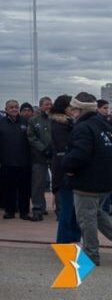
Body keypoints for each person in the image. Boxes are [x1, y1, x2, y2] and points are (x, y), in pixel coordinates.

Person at [61, 92, 112, 265]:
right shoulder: (103, 124)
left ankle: (91, 254)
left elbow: (80, 153)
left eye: (73, 109)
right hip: (104, 179)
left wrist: (66, 166)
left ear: (79, 109)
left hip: (88, 182)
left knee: (86, 219)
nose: (71, 112)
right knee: (97, 214)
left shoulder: (83, 127)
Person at [0, 100, 33, 220]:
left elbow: (31, 141)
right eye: (11, 107)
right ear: (6, 109)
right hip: (6, 162)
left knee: (24, 189)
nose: (14, 109)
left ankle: (24, 212)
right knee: (8, 188)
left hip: (24, 162)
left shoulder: (26, 122)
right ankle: (9, 211)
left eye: (16, 107)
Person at [49, 95, 81, 243]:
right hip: (64, 173)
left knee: (74, 211)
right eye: (71, 107)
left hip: (69, 172)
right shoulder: (59, 125)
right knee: (66, 211)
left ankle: (73, 240)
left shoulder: (70, 124)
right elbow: (63, 150)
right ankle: (64, 242)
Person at [26, 96, 52, 221]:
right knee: (38, 184)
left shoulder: (55, 120)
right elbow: (31, 137)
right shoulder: (33, 120)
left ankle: (60, 210)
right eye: (46, 104)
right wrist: (43, 148)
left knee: (57, 184)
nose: (49, 106)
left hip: (54, 156)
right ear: (41, 106)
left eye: (50, 104)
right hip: (38, 157)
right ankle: (38, 209)